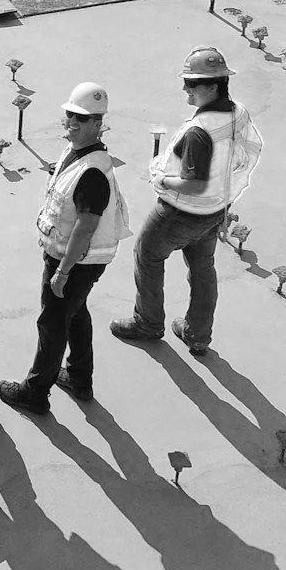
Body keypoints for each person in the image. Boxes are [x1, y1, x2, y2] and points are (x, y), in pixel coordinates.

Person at [113, 46, 264, 358]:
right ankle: (198, 335)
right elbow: (246, 154)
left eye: (191, 84)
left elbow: (193, 184)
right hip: (216, 209)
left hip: (180, 212)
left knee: (147, 256)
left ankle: (148, 323)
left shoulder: (199, 132)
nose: (185, 88)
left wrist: (162, 180)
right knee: (202, 267)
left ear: (211, 87)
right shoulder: (238, 114)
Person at [0, 83, 127, 415]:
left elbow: (86, 227)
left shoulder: (92, 172)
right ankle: (80, 378)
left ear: (98, 123)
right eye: (70, 115)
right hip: (71, 259)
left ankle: (35, 392)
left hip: (75, 261)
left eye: (82, 119)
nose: (72, 123)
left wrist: (62, 272)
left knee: (52, 323)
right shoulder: (77, 153)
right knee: (75, 313)